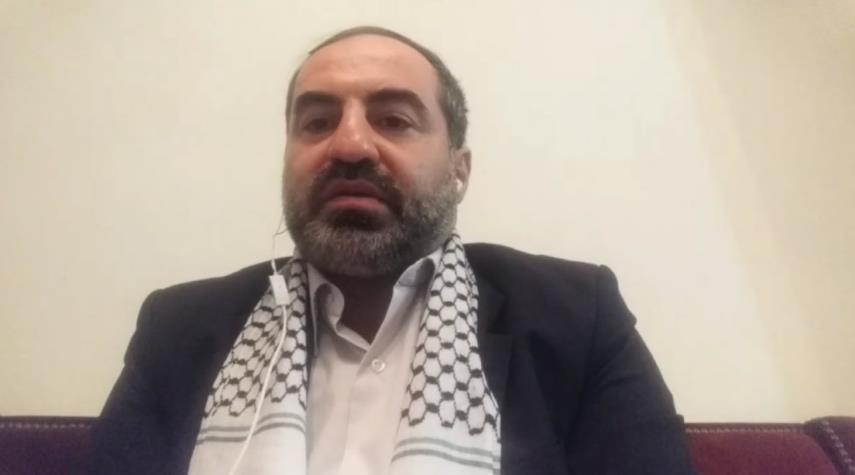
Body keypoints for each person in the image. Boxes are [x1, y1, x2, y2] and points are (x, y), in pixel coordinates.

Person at [92, 26, 695, 475]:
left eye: (395, 120)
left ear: (459, 170)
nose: (350, 144)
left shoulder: (576, 319)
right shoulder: (179, 331)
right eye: (316, 122)